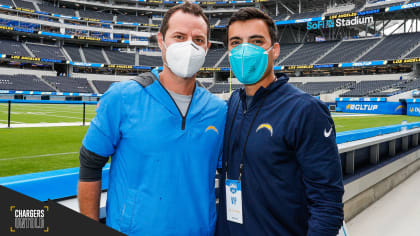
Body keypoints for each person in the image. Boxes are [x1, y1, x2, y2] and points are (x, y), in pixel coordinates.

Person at [77, 3, 227, 235]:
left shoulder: (218, 111)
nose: (189, 45)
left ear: (207, 47)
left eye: (198, 40)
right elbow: (90, 163)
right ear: (161, 41)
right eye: (179, 36)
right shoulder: (122, 97)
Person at [215, 8, 344, 236]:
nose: (245, 50)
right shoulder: (233, 103)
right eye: (236, 42)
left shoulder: (305, 110)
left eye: (256, 41)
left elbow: (327, 205)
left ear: (274, 50)